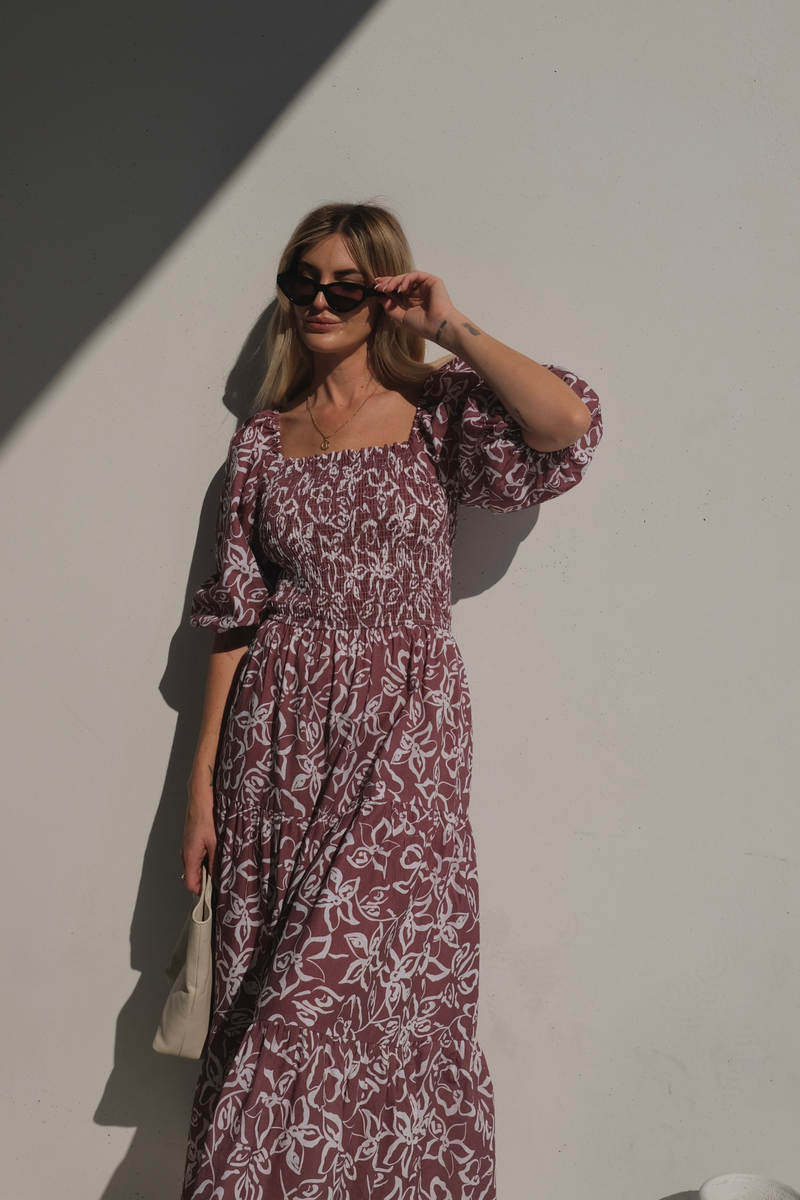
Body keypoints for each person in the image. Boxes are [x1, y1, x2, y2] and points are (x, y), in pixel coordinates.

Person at [179, 201, 603, 1200]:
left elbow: (564, 427)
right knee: (266, 981)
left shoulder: (439, 409)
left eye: (346, 285)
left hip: (405, 722)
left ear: (382, 294)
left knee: (359, 984)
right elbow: (234, 621)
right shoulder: (263, 442)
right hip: (276, 736)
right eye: (303, 280)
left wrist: (448, 326)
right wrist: (200, 788)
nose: (320, 301)